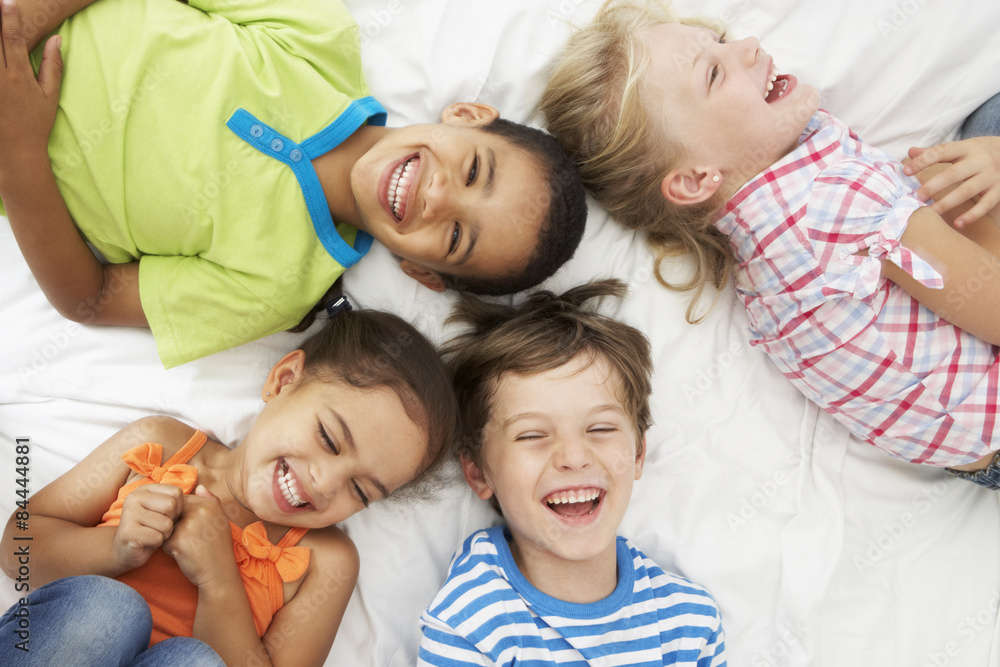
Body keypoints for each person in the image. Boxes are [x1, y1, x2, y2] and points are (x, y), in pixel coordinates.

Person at [538, 1, 1000, 487]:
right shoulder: (837, 199)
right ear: (697, 178)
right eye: (714, 73)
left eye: (720, 41)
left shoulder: (761, 251)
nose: (748, 46)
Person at [0, 0, 587, 368]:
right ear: (466, 115)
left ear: (422, 273)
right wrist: (17, 27)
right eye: (474, 170)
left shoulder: (275, 291)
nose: (438, 197)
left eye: (458, 236)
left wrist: (20, 152)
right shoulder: (316, 35)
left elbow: (91, 298)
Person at [0, 305, 459, 665]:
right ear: (283, 381)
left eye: (361, 491)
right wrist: (115, 548)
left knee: (198, 663)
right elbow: (16, 549)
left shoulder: (326, 562)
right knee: (108, 610)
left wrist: (219, 578)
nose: (325, 482)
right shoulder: (160, 446)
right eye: (328, 439)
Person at [417, 280, 727, 666]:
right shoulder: (472, 623)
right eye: (532, 435)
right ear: (478, 472)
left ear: (638, 454)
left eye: (600, 429)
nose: (574, 456)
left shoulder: (689, 623)